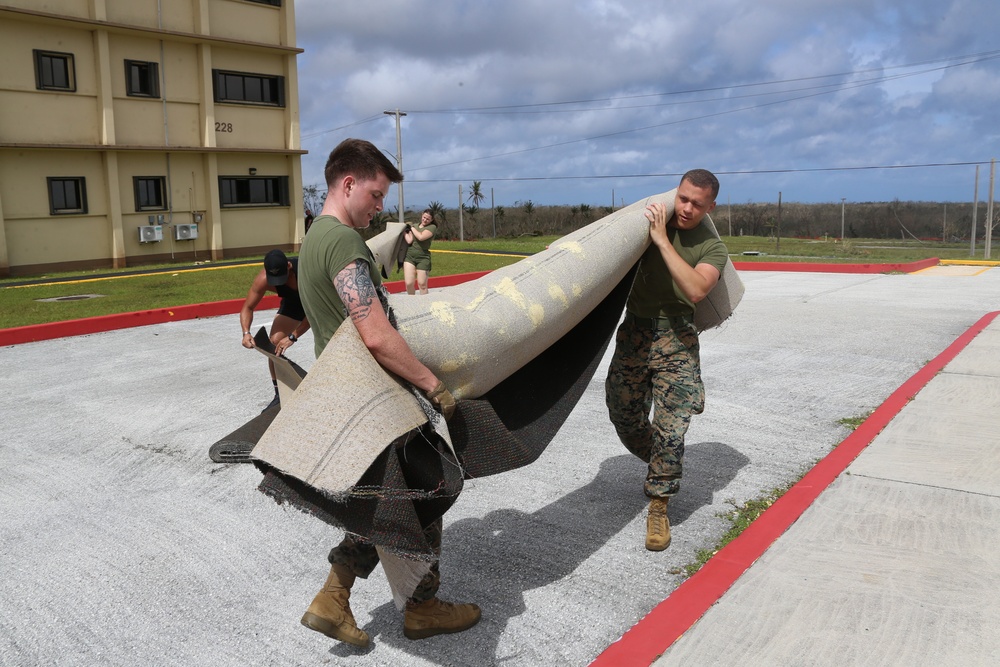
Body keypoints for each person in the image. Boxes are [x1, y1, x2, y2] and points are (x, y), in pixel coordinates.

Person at [296, 138, 479, 647]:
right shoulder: (344, 244)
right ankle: (422, 608)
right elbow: (374, 334)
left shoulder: (314, 238)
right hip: (376, 401)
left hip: (349, 398)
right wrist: (433, 385)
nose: (381, 208)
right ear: (348, 183)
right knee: (429, 492)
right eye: (375, 195)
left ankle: (333, 597)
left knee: (384, 503)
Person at [604, 169, 729, 552]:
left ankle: (659, 505)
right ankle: (662, 459)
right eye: (684, 198)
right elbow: (603, 243)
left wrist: (661, 241)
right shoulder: (649, 219)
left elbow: (694, 289)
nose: (688, 208)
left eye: (698, 203)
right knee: (622, 413)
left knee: (672, 427)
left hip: (677, 338)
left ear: (711, 206)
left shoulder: (712, 247)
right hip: (634, 334)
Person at [239, 249, 310, 410]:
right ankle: (280, 394)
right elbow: (247, 307)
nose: (279, 283)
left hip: (317, 300)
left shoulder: (306, 272)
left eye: (282, 278)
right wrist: (246, 332)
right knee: (274, 343)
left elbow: (315, 312)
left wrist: (293, 336)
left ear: (289, 266)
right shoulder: (263, 279)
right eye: (275, 279)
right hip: (293, 304)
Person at [403, 209, 438, 295]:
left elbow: (421, 237)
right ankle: (412, 303)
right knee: (409, 283)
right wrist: (404, 231)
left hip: (423, 258)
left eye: (428, 219)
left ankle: (424, 305)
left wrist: (411, 227)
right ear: (422, 215)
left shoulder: (432, 227)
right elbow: (409, 240)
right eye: (424, 217)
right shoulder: (415, 226)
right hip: (409, 256)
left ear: (432, 220)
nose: (425, 220)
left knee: (422, 284)